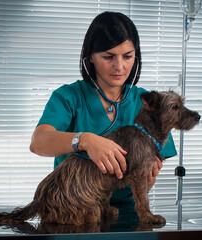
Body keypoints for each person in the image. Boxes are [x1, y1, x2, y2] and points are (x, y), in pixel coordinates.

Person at [30, 11, 177, 203]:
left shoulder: (151, 103)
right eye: (108, 57)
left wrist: (146, 183)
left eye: (127, 56)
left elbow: (149, 170)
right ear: (90, 56)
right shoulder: (69, 97)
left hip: (129, 214)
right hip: (74, 210)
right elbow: (38, 142)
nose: (119, 67)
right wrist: (85, 140)